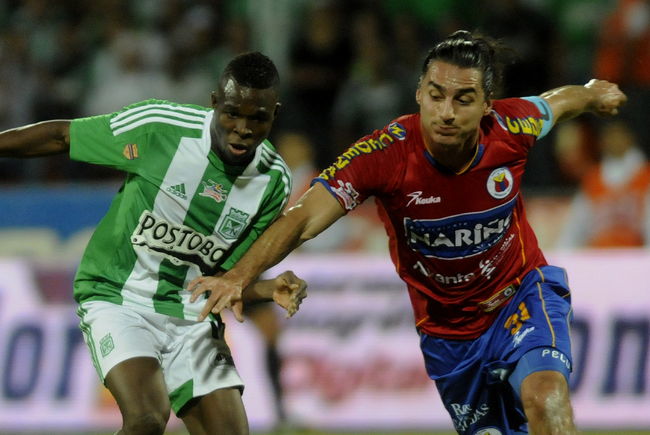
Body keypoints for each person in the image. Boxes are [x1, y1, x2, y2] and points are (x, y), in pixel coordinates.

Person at [188, 31, 627, 434]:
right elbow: (301, 218)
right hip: (449, 336)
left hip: (519, 295)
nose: (447, 113)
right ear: (419, 93)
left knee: (546, 395)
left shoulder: (512, 127)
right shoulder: (384, 155)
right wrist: (239, 276)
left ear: (487, 105)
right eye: (436, 96)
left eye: (464, 99)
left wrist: (592, 93)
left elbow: (557, 103)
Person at [0, 51, 307, 435]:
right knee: (147, 419)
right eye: (232, 113)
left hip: (191, 314)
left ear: (274, 114)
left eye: (258, 118)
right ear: (214, 102)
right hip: (117, 295)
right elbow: (62, 135)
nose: (242, 129)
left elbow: (223, 280)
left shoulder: (274, 183)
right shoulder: (159, 127)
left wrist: (265, 288)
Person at [557, 118, 650, 248]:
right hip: (600, 253)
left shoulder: (645, 176)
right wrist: (563, 251)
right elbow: (576, 224)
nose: (615, 141)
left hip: (635, 253)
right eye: (610, 136)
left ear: (630, 138)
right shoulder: (593, 179)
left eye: (619, 135)